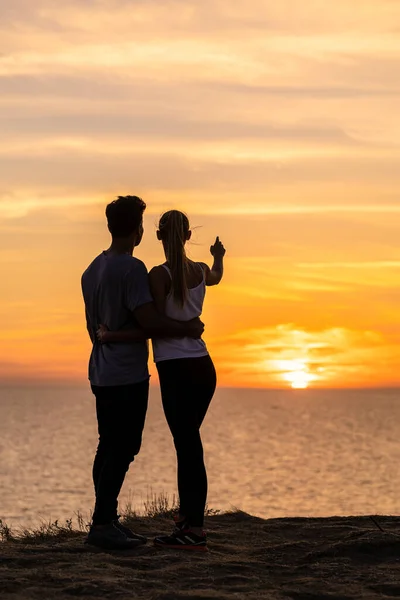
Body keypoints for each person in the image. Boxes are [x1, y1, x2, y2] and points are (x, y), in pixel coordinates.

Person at [98, 210, 225, 552]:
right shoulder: (198, 270)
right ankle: (188, 518)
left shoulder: (158, 275)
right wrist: (218, 257)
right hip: (203, 365)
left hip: (176, 369)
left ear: (157, 236)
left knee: (187, 446)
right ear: (186, 237)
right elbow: (216, 276)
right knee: (189, 443)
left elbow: (152, 326)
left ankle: (194, 531)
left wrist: (112, 335)